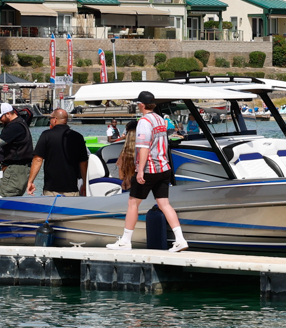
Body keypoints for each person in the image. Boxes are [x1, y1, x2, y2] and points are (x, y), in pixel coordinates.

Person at [107, 91, 189, 252]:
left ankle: (125, 241)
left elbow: (143, 147)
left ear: (142, 105)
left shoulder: (144, 122)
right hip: (164, 167)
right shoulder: (160, 119)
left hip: (149, 168)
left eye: (138, 103)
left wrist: (140, 172)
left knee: (132, 203)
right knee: (164, 203)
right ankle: (180, 239)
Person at [26, 108, 90, 197]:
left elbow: (37, 159)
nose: (50, 121)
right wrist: (85, 183)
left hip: (51, 189)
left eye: (50, 119)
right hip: (71, 189)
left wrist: (30, 181)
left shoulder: (46, 135)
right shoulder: (78, 137)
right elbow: (83, 163)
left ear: (55, 120)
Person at [116, 120, 138, 190]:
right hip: (143, 187)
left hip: (129, 187)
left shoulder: (124, 153)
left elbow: (121, 177)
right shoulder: (146, 151)